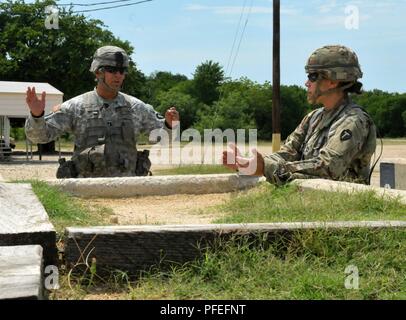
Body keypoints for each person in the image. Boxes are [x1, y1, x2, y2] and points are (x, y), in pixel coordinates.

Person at [223, 45, 377, 185]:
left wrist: (266, 168)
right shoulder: (313, 118)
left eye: (313, 76)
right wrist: (250, 164)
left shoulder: (353, 120)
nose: (306, 83)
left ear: (332, 81)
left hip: (344, 207)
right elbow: (288, 153)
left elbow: (328, 167)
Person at [25, 45, 179, 178]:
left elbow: (164, 139)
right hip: (85, 192)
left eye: (122, 70)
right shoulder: (76, 106)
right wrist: (37, 116)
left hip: (130, 190)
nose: (118, 75)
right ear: (98, 72)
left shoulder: (137, 107)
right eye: (112, 70)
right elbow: (39, 137)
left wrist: (170, 125)